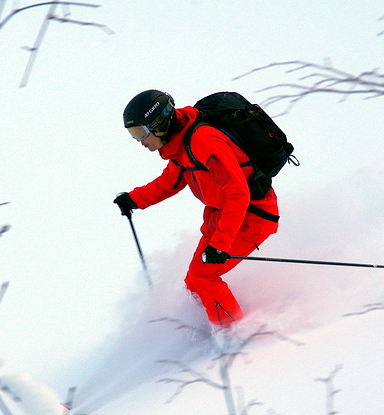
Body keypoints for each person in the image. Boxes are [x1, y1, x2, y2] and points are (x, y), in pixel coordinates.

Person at [114, 89, 279, 330]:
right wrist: (134, 199)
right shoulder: (181, 146)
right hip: (221, 217)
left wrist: (221, 244)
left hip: (251, 216)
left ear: (159, 123)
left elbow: (238, 193)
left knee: (205, 277)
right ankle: (209, 329)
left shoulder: (203, 140)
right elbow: (170, 181)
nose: (140, 141)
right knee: (194, 281)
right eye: (133, 134)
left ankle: (235, 337)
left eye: (140, 132)